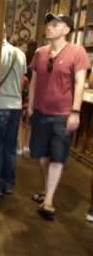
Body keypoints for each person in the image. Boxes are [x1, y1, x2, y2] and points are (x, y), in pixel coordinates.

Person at [28, 13, 90, 220]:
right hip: (40, 112)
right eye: (48, 24)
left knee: (57, 157)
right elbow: (34, 81)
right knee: (41, 155)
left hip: (62, 115)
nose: (49, 27)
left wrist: (75, 111)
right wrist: (29, 106)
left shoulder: (77, 52)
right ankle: (48, 190)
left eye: (55, 25)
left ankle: (49, 201)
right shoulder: (39, 52)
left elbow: (81, 83)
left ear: (66, 30)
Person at [0, 26, 27, 197]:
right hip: (16, 106)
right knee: (10, 147)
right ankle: (9, 184)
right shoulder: (20, 54)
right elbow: (21, 82)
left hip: (0, 104)